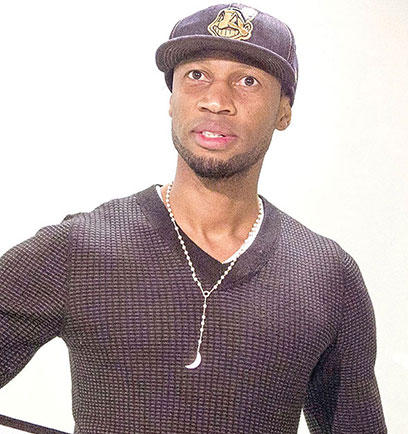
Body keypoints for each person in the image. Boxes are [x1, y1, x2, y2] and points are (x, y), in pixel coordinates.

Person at [0, 3, 388, 433]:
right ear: (172, 100)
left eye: (247, 80)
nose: (216, 101)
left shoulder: (328, 276)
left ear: (284, 111)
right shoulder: (79, 248)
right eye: (196, 75)